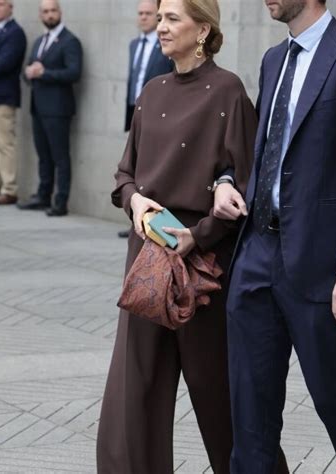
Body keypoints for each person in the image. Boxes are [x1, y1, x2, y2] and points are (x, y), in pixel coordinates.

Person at [214, 0, 336, 472]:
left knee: (334, 397)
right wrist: (227, 183)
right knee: (249, 410)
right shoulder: (274, 60)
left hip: (320, 265)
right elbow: (260, 147)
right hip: (255, 253)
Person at [96, 0, 259, 472]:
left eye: (173, 19)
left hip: (202, 268)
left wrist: (200, 235)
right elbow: (124, 172)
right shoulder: (152, 89)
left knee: (218, 398)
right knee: (135, 396)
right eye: (160, 18)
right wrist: (133, 200)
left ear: (203, 30)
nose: (161, 27)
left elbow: (247, 187)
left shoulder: (228, 92)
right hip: (147, 260)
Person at [18, 0, 82, 217]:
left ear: (60, 13)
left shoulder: (70, 41)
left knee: (60, 157)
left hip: (58, 109)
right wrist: (28, 74)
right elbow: (27, 70)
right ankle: (42, 196)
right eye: (45, 11)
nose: (49, 14)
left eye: (53, 10)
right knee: (43, 156)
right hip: (37, 107)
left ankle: (60, 201)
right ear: (41, 15)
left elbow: (74, 72)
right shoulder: (39, 42)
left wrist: (44, 73)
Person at [118, 0, 173, 239]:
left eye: (149, 14)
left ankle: (157, 222)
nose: (143, 18)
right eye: (140, 13)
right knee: (135, 167)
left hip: (161, 115)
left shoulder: (166, 47)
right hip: (136, 110)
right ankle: (137, 218)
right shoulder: (134, 45)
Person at [0, 0, 26, 205]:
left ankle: (9, 188)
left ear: (11, 7)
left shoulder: (15, 33)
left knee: (5, 144)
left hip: (4, 98)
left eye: (1, 4)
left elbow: (5, 63)